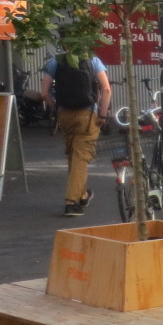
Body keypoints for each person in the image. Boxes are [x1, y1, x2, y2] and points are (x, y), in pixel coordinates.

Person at [40, 50, 112, 216]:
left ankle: (83, 195)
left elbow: (44, 93)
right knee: (81, 157)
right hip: (87, 115)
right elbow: (106, 89)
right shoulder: (92, 60)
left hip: (64, 114)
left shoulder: (56, 62)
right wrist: (102, 114)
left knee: (73, 155)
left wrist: (55, 108)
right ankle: (71, 202)